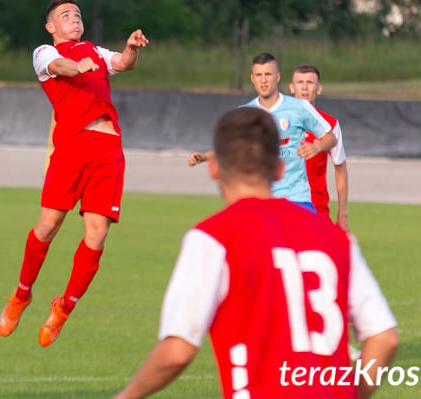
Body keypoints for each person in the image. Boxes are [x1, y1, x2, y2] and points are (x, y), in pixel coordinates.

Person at [114, 107, 399, 399]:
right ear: (279, 168)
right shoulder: (337, 239)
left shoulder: (213, 238)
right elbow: (384, 338)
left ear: (214, 168)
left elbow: (177, 351)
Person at [0, 0, 149, 347]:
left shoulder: (94, 51)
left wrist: (131, 48)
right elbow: (58, 68)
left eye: (78, 14)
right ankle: (21, 295)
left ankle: (63, 307)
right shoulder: (45, 53)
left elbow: (123, 64)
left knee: (97, 236)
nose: (75, 19)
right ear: (52, 27)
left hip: (107, 150)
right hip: (71, 148)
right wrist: (75, 67)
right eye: (67, 15)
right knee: (48, 225)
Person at [190, 52, 336, 213]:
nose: (264, 80)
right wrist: (204, 157)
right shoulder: (246, 112)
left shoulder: (299, 107)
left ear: (277, 77)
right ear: (253, 79)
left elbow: (331, 137)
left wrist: (317, 147)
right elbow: (230, 148)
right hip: (263, 201)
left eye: (268, 74)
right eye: (259, 75)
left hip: (297, 200)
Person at [289, 63, 350, 230]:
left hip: (316, 211)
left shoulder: (330, 125)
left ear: (318, 88)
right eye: (300, 82)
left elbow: (340, 168)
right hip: (284, 209)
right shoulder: (276, 122)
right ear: (291, 87)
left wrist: (342, 215)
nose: (304, 87)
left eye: (309, 83)